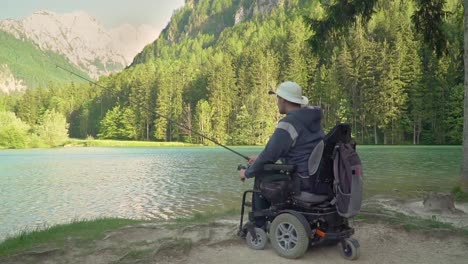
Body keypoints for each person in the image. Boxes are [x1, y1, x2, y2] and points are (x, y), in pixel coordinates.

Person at [238, 81, 327, 227]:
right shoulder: (311, 121)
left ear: (284, 100)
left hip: (302, 184)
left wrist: (246, 173)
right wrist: (259, 158)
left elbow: (269, 156)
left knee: (261, 174)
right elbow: (294, 149)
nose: (277, 102)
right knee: (264, 166)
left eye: (278, 98)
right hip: (318, 182)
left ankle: (258, 225)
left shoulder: (289, 123)